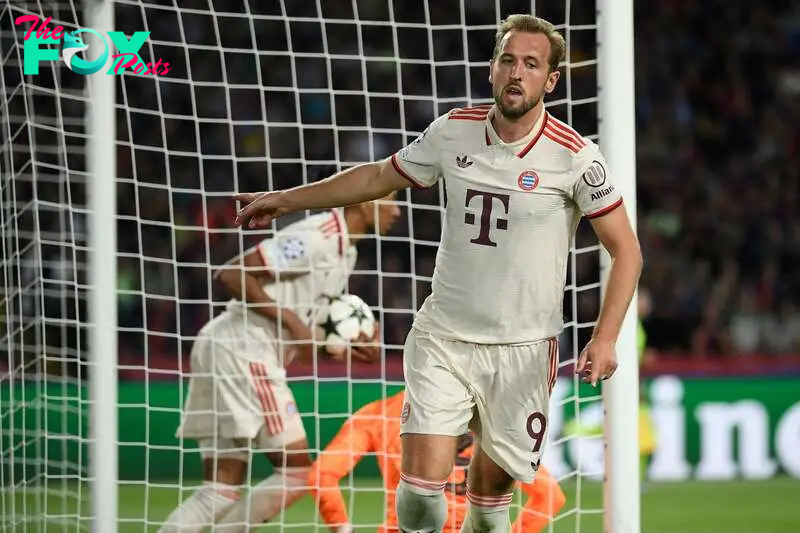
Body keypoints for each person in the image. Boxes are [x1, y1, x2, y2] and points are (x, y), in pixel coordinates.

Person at [233, 14, 642, 533]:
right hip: (443, 338)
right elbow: (378, 176)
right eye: (508, 60)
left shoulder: (576, 157)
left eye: (532, 65)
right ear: (493, 68)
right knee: (421, 497)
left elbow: (626, 250)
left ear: (551, 79)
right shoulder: (452, 131)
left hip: (523, 351)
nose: (517, 73)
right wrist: (283, 200)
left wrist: (605, 339)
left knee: (491, 508)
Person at [159, 197, 400, 532]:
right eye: (391, 200)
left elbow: (302, 347)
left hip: (233, 347)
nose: (397, 211)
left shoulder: (347, 253)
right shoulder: (318, 236)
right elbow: (232, 274)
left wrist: (345, 350)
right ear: (362, 202)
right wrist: (292, 321)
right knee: (297, 472)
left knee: (220, 490)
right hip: (244, 348)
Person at [309, 389, 566, 532]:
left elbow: (321, 475)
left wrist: (342, 529)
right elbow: (551, 496)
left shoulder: (381, 414)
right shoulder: (488, 420)